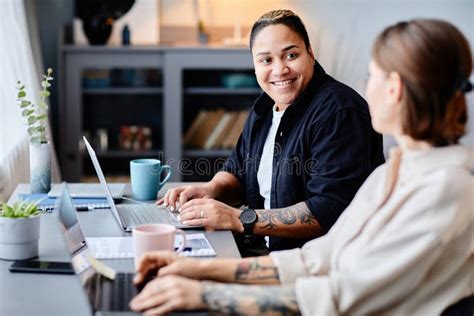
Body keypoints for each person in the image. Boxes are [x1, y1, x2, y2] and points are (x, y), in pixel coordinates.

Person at [130, 18, 473, 315]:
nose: (366, 87)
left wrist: (204, 293)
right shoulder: (392, 174)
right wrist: (193, 269)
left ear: (394, 88)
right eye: (265, 59)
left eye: (372, 76)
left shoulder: (446, 189)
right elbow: (315, 260)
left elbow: (338, 297)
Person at [159, 10, 384, 256]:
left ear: (310, 54)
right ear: (255, 65)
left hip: (308, 264)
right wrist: (211, 189)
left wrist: (238, 218)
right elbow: (238, 170)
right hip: (260, 249)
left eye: (291, 55)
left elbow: (329, 210)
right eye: (266, 60)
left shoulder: (339, 112)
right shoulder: (264, 109)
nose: (279, 70)